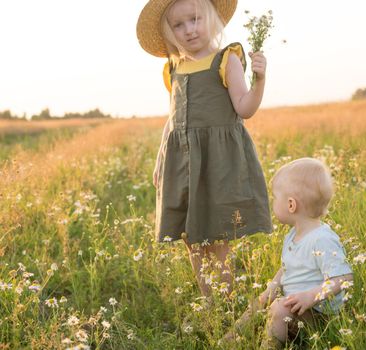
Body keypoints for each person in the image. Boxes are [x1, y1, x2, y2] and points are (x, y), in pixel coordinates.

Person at [136, 0, 272, 297]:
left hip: (216, 161)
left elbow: (244, 108)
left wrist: (259, 81)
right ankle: (208, 297)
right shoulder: (174, 66)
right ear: (169, 31)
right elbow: (173, 116)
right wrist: (161, 156)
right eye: (179, 25)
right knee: (190, 235)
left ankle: (224, 300)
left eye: (195, 19)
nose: (189, 30)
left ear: (210, 17)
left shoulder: (226, 59)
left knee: (216, 234)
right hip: (182, 160)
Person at [223, 158, 353, 349]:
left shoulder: (321, 239)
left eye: (275, 198)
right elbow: (288, 268)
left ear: (291, 205)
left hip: (319, 315)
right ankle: (231, 337)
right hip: (297, 307)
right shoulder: (294, 234)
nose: (273, 203)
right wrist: (271, 288)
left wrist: (311, 296)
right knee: (262, 300)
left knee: (279, 308)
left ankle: (269, 345)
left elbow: (344, 278)